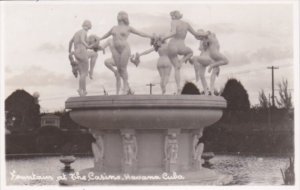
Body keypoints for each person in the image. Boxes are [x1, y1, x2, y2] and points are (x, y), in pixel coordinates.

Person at [98, 11, 154, 94]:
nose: (118, 16)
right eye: (118, 14)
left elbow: (140, 33)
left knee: (123, 69)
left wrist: (150, 36)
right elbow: (106, 35)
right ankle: (126, 85)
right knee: (119, 69)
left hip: (125, 49)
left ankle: (125, 88)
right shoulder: (114, 27)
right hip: (116, 51)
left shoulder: (128, 28)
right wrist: (99, 39)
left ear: (124, 17)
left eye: (120, 14)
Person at [161, 10, 207, 94]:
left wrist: (164, 38)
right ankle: (181, 61)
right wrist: (205, 35)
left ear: (174, 16)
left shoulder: (174, 22)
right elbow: (196, 34)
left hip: (173, 45)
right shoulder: (186, 24)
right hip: (182, 46)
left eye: (172, 16)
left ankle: (178, 86)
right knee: (190, 52)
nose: (171, 17)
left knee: (176, 68)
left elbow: (173, 32)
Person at [189, 30, 228, 95]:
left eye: (200, 37)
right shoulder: (205, 40)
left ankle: (211, 90)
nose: (199, 38)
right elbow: (203, 50)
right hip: (205, 57)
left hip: (209, 58)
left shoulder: (209, 37)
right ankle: (206, 91)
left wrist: (217, 64)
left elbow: (209, 47)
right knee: (202, 75)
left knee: (213, 72)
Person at [68, 20, 95, 96]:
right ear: (88, 26)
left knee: (82, 73)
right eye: (90, 26)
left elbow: (70, 42)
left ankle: (83, 91)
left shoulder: (76, 33)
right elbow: (83, 40)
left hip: (76, 53)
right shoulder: (83, 32)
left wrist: (69, 51)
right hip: (82, 51)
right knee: (84, 73)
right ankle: (91, 72)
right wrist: (88, 46)